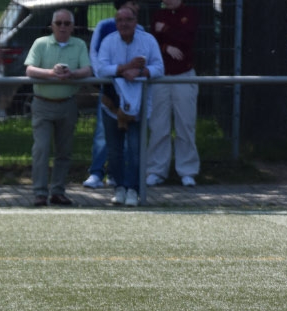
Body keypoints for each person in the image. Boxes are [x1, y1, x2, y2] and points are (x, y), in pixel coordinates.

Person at [93, 5, 163, 207]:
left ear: (136, 22)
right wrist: (125, 68)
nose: (123, 24)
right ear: (116, 23)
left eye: (128, 20)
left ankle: (133, 189)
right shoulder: (108, 41)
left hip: (138, 105)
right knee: (114, 150)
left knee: (135, 150)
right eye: (120, 20)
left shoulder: (148, 40)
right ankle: (119, 188)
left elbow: (159, 68)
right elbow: (101, 69)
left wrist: (140, 72)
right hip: (112, 104)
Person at [23, 9, 91, 207]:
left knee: (64, 151)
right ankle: (40, 193)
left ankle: (58, 192)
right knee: (41, 149)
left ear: (73, 26)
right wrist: (51, 73)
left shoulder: (79, 45)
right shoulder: (40, 43)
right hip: (42, 104)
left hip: (68, 104)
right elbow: (30, 69)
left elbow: (87, 69)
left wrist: (72, 74)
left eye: (66, 23)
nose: (62, 27)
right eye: (59, 23)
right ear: (52, 26)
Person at [82, 0, 142, 190]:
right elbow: (94, 52)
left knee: (127, 132)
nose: (137, 6)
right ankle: (96, 172)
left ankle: (118, 175)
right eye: (133, 2)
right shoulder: (105, 25)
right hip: (109, 87)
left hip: (130, 90)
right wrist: (102, 75)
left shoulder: (140, 30)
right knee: (103, 132)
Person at [146, 0, 200, 188]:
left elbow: (187, 38)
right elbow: (153, 40)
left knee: (185, 123)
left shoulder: (191, 13)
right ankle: (156, 170)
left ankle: (187, 171)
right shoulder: (158, 15)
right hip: (161, 76)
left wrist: (166, 30)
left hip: (184, 74)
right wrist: (166, 47)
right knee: (158, 124)